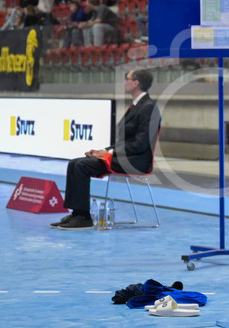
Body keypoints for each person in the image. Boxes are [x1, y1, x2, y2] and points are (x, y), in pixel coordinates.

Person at [51, 70, 161, 231]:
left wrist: (110, 153)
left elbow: (140, 144)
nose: (124, 82)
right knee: (74, 163)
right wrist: (102, 151)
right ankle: (76, 214)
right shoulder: (137, 106)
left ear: (136, 83)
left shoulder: (149, 108)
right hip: (123, 156)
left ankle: (83, 217)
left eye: (127, 79)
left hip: (135, 161)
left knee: (81, 166)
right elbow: (124, 142)